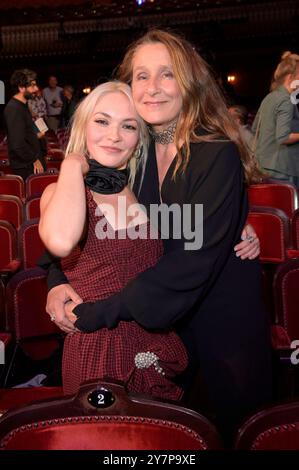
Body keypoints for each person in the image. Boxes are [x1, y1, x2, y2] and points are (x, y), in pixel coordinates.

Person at [42, 30, 271, 441]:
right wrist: (56, 281)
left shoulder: (214, 152)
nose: (152, 88)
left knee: (233, 427)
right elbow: (79, 231)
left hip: (218, 317)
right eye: (141, 76)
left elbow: (192, 259)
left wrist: (102, 311)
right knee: (156, 437)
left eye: (166, 75)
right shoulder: (135, 151)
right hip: (154, 324)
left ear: (190, 82)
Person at [39, 81, 188, 401]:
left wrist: (237, 225)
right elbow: (60, 242)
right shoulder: (63, 191)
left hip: (152, 342)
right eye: (102, 121)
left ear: (139, 137)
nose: (115, 135)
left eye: (129, 125)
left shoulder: (144, 190)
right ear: (83, 126)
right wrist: (71, 164)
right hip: (99, 350)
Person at [252, 51, 299, 187]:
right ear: (290, 78)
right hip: (283, 169)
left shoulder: (269, 98)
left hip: (264, 167)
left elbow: (256, 129)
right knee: (289, 207)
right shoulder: (286, 100)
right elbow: (283, 137)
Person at [4, 69, 44, 181]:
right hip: (26, 167)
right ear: (21, 87)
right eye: (32, 86)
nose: (36, 89)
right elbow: (17, 144)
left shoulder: (22, 106)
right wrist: (34, 160)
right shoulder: (14, 109)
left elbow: (23, 134)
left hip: (30, 164)